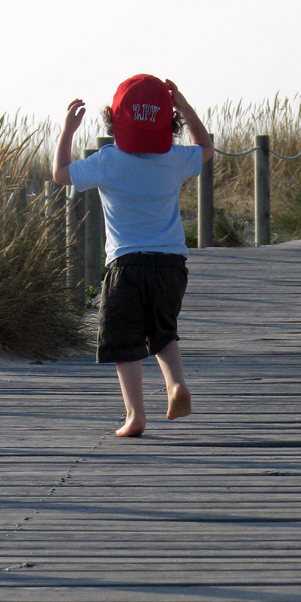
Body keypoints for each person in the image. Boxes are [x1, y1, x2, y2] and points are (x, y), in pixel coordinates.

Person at [52, 74, 214, 437]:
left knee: (125, 343)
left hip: (125, 265)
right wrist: (186, 109)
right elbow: (205, 148)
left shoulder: (108, 160)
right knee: (164, 332)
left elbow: (61, 173)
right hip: (171, 264)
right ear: (168, 120)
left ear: (114, 119)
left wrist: (68, 130)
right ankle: (175, 384)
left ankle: (135, 415)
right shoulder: (174, 158)